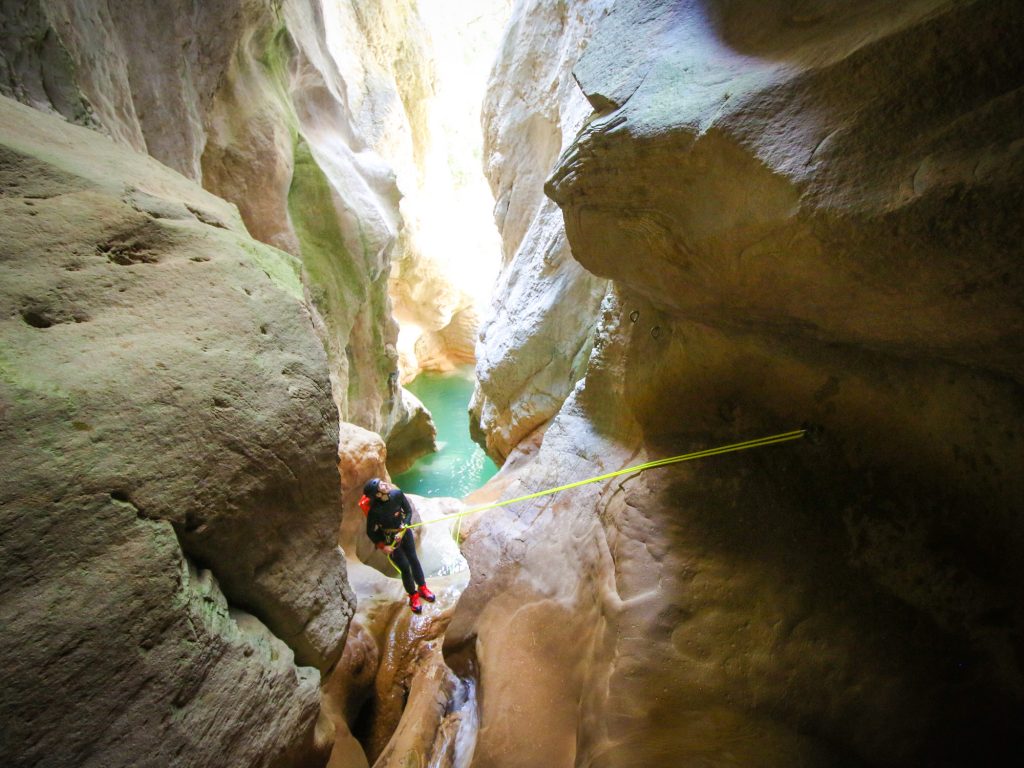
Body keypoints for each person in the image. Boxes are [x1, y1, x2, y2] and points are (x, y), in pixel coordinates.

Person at [360, 477, 436, 613]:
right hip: (390, 540)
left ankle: (422, 587)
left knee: (414, 560)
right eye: (381, 485)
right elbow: (371, 532)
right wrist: (383, 546)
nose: (385, 484)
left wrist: (404, 525)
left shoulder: (397, 495)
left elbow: (408, 511)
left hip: (405, 533)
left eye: (383, 482)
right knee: (405, 567)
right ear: (378, 494)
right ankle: (413, 596)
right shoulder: (375, 511)